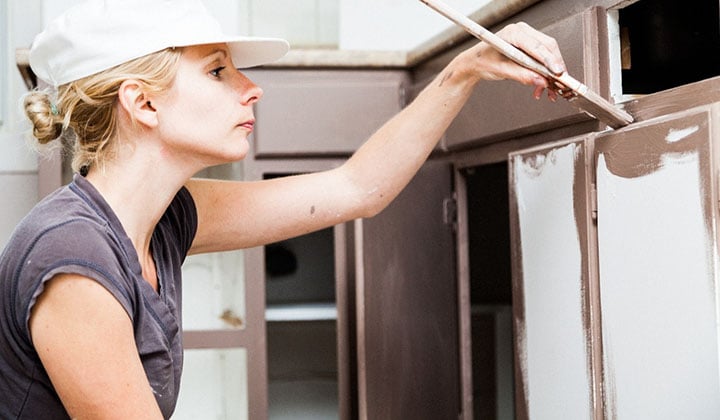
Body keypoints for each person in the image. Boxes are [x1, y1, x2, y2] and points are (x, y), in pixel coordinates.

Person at [0, 0, 568, 418]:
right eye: (218, 70)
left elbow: (357, 188)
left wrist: (465, 69)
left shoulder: (165, 217)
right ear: (143, 102)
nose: (252, 88)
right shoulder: (72, 258)